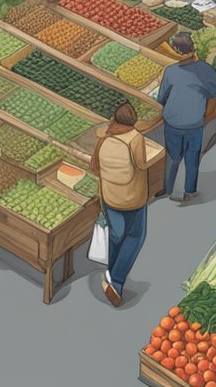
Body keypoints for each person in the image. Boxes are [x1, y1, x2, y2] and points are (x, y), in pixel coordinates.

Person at [89, 101, 148, 308]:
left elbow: (94, 167)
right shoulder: (135, 138)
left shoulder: (104, 137)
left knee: (116, 235)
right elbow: (142, 164)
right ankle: (117, 280)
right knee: (135, 236)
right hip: (133, 197)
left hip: (111, 197)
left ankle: (111, 276)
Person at [156, 32, 216, 203]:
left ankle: (168, 189)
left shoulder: (170, 71)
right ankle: (190, 190)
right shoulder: (208, 71)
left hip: (173, 122)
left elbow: (161, 97)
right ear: (193, 48)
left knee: (173, 156)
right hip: (195, 122)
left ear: (177, 51)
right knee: (192, 157)